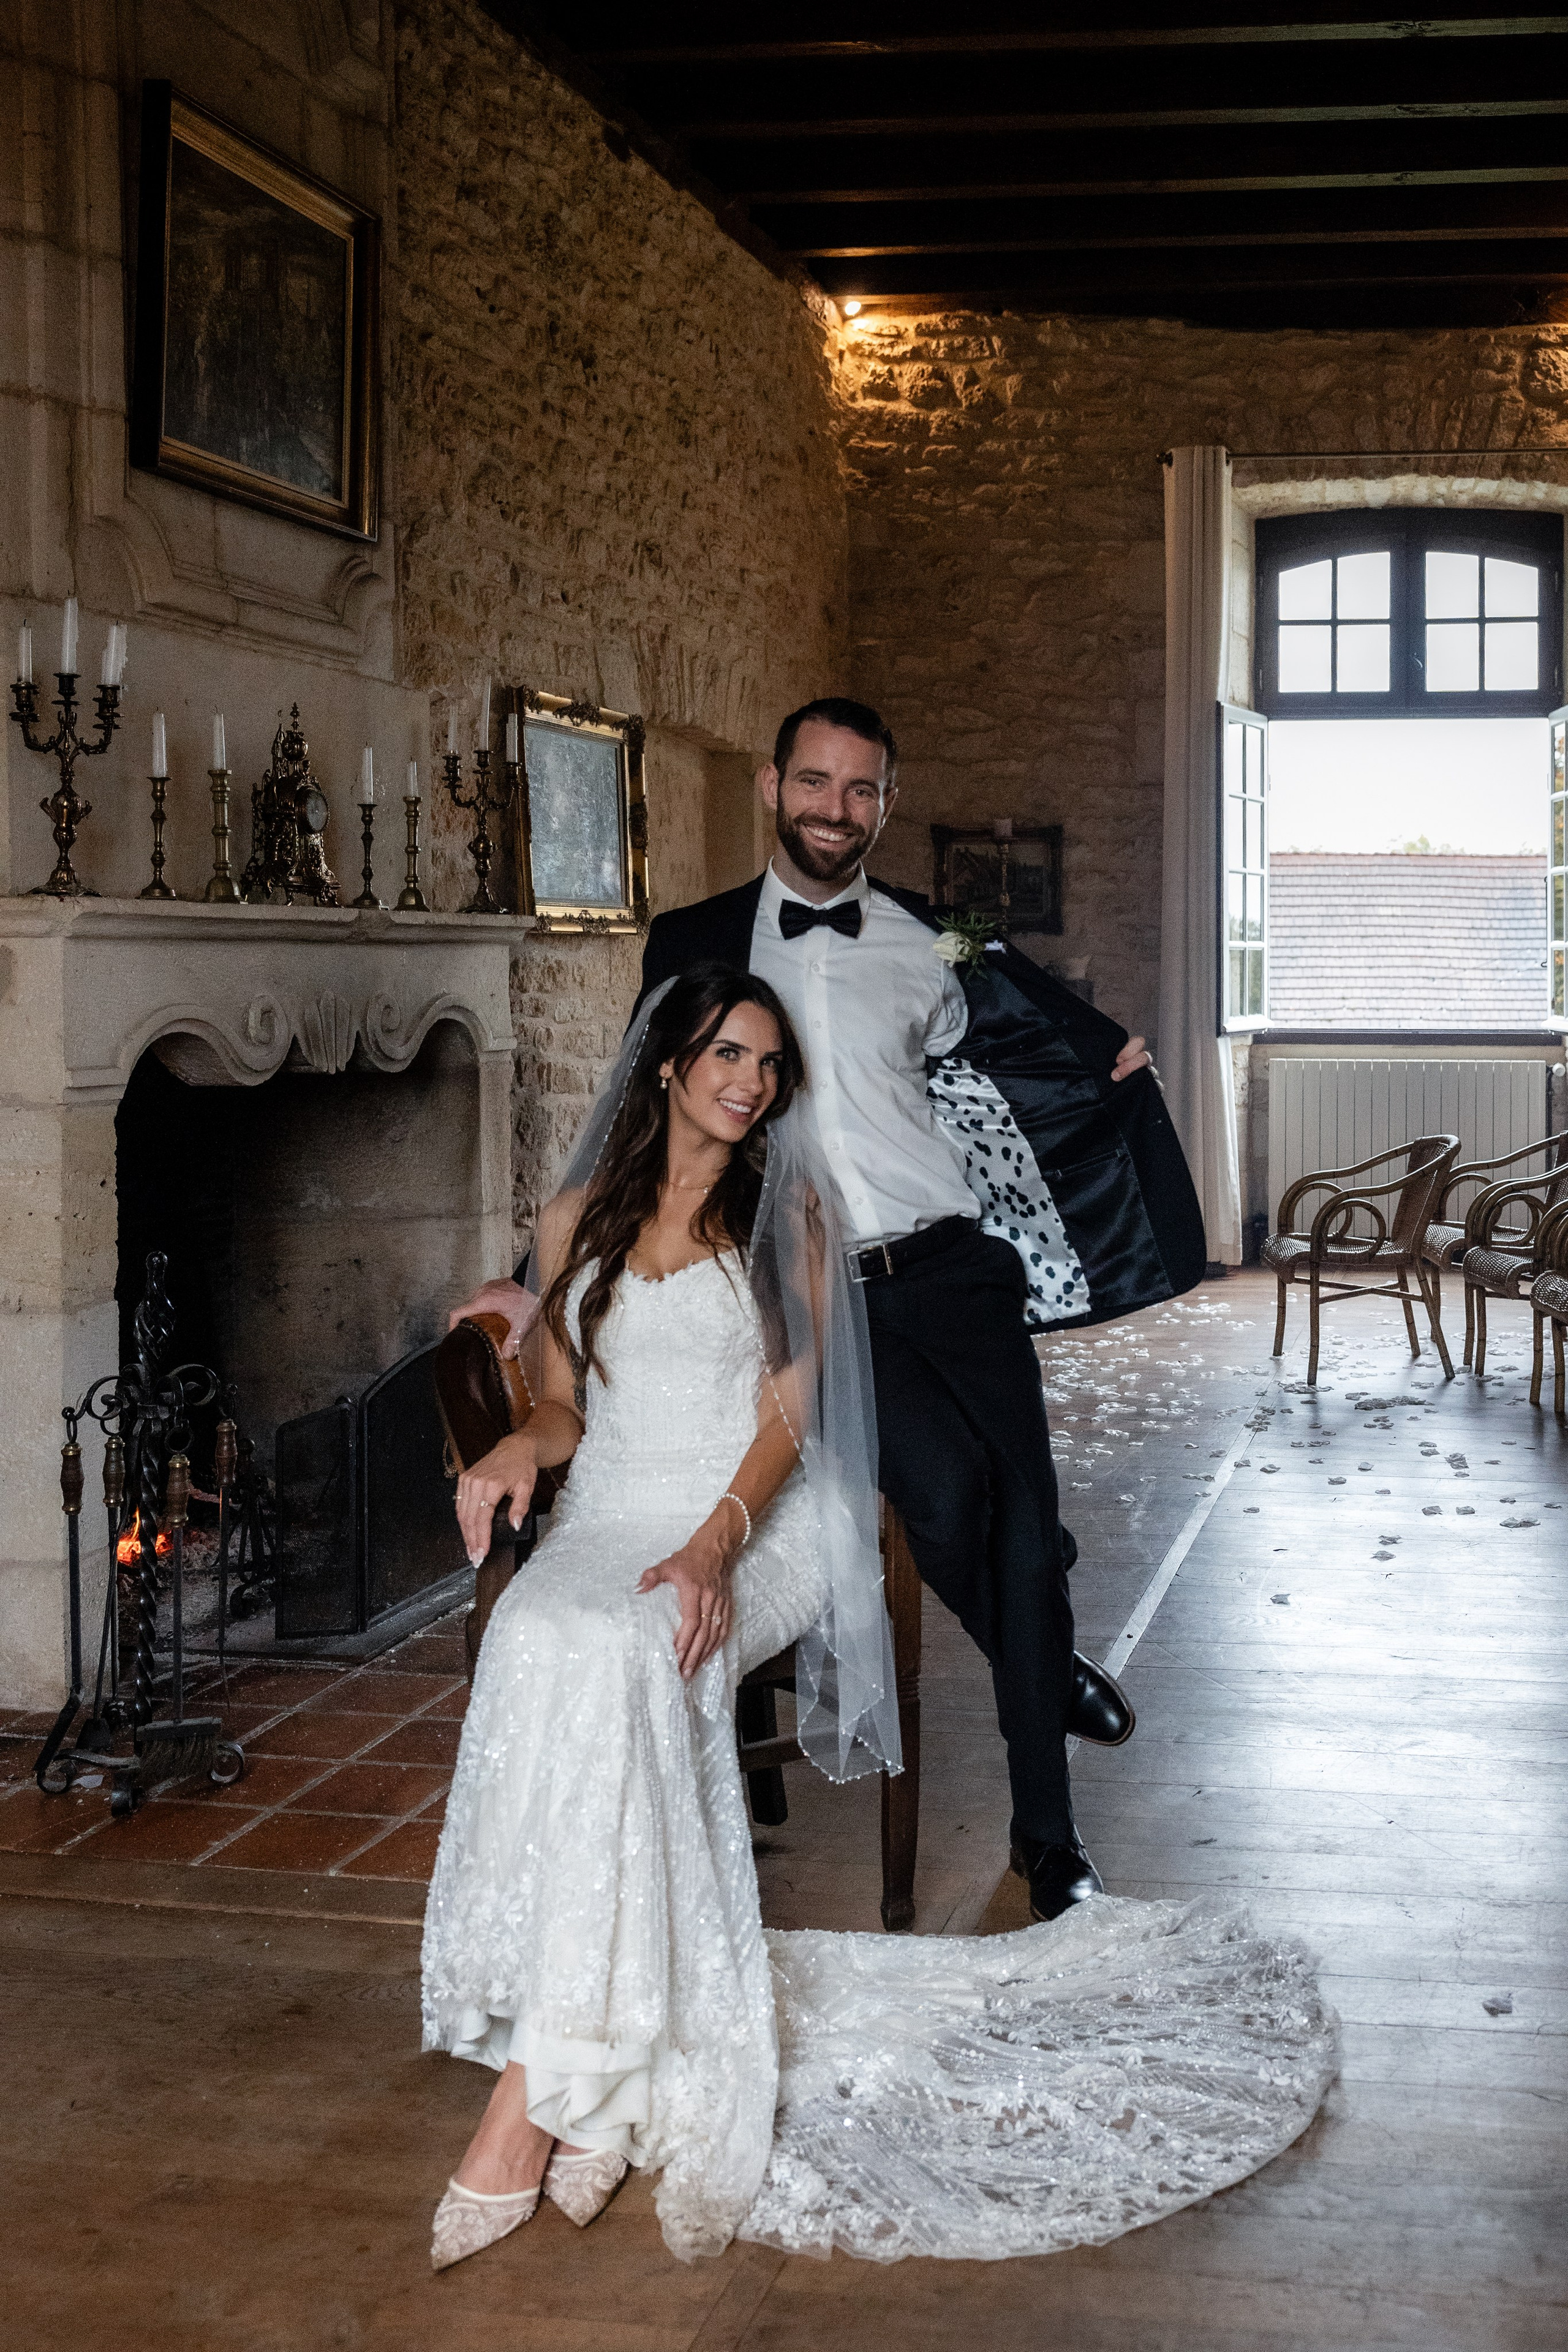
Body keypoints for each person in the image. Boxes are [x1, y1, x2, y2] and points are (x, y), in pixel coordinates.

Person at [425, 963, 1333, 2272]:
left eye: (767, 1064)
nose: (748, 1083)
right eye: (726, 1055)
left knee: (630, 1651)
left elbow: (792, 1406)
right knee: (534, 1638)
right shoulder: (572, 1215)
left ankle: (533, 2094)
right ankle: (604, 2062)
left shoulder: (784, 1212)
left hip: (757, 1516)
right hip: (613, 1511)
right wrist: (518, 1445)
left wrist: (714, 1546)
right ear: (669, 1065)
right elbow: (567, 1404)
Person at [451, 696, 1207, 1924]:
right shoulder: (693, 935)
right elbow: (638, 1117)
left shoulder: (933, 933)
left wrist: (1104, 1048)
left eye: (860, 791)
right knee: (956, 1505)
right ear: (770, 785)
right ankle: (1040, 1656)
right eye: (814, 783)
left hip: (952, 1267)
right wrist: (533, 1280)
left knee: (1022, 1524)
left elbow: (1021, 994)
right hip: (814, 1292)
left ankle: (1046, 1838)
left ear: (884, 804)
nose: (834, 810)